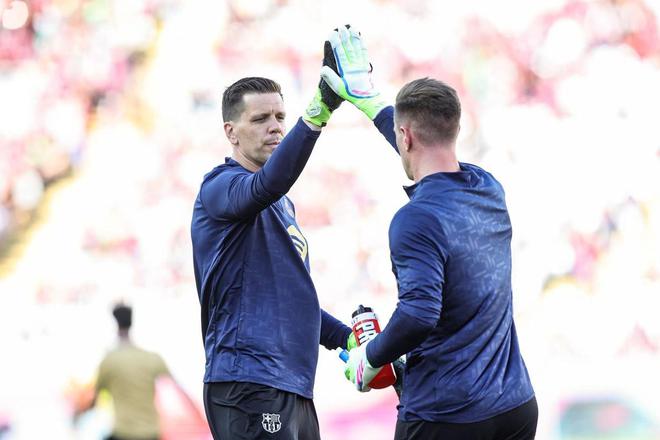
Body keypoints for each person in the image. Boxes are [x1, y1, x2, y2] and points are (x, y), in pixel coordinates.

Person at [322, 26, 537, 439]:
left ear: (405, 136)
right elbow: (426, 154)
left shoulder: (415, 219)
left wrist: (370, 357)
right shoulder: (488, 187)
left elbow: (420, 314)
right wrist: (369, 101)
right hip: (515, 407)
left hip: (447, 414)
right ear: (454, 127)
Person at [190, 52, 363, 437]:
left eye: (280, 117)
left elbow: (291, 298)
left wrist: (349, 339)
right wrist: (317, 112)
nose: (275, 127)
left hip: (292, 383)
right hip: (246, 380)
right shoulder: (219, 187)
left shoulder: (283, 206)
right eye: (260, 119)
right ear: (231, 132)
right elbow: (267, 184)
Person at [77, 303, 197, 440]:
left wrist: (78, 414)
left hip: (123, 433)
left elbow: (93, 400)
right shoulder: (152, 358)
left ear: (115, 325)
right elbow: (180, 391)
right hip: (151, 434)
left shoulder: (109, 361)